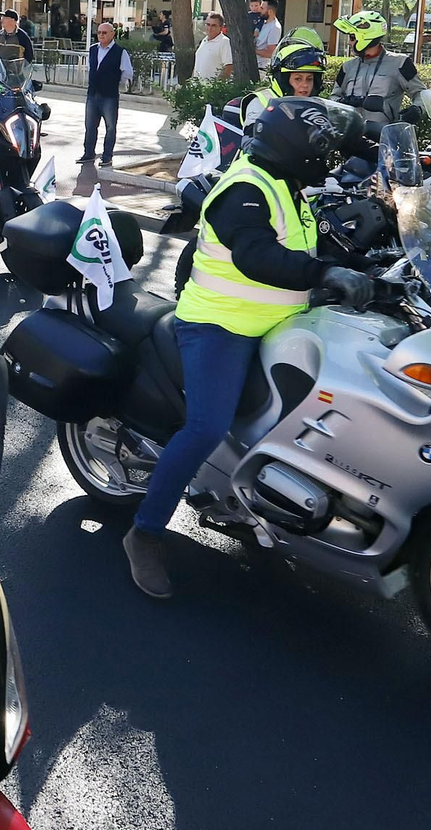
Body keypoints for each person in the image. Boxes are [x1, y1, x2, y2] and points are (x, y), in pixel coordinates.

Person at [122, 98, 375, 597]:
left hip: (280, 321)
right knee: (205, 427)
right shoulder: (244, 188)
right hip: (220, 325)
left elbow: (306, 247)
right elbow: (258, 255)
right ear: (294, 147)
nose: (325, 158)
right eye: (319, 149)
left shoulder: (285, 183)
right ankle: (145, 533)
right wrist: (326, 274)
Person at [330, 9, 424, 127]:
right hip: (349, 137)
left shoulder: (400, 63)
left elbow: (421, 93)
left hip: (384, 138)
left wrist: (417, 109)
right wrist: (341, 102)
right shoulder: (347, 67)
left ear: (365, 37)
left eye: (352, 37)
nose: (349, 42)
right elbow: (333, 98)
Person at [78, 20, 132, 167]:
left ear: (112, 34)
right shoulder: (93, 49)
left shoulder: (120, 52)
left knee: (110, 127)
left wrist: (115, 82)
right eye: (99, 32)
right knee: (90, 126)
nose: (101, 35)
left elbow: (127, 72)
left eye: (105, 32)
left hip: (109, 96)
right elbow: (91, 67)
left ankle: (107, 156)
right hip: (93, 94)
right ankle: (89, 153)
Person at [238, 38, 327, 122]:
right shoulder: (260, 102)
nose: (305, 85)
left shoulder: (317, 106)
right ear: (283, 80)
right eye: (298, 79)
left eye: (309, 79)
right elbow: (251, 136)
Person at [193, 11, 233, 81]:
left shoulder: (224, 41)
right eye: (208, 24)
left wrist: (216, 86)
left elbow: (228, 67)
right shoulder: (204, 40)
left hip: (211, 89)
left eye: (213, 25)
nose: (210, 28)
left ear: (221, 27)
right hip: (198, 88)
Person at [254, 0, 282, 70]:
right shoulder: (263, 23)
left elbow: (270, 53)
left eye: (262, 8)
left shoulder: (275, 27)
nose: (259, 10)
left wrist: (253, 50)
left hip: (262, 67)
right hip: (254, 64)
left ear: (270, 11)